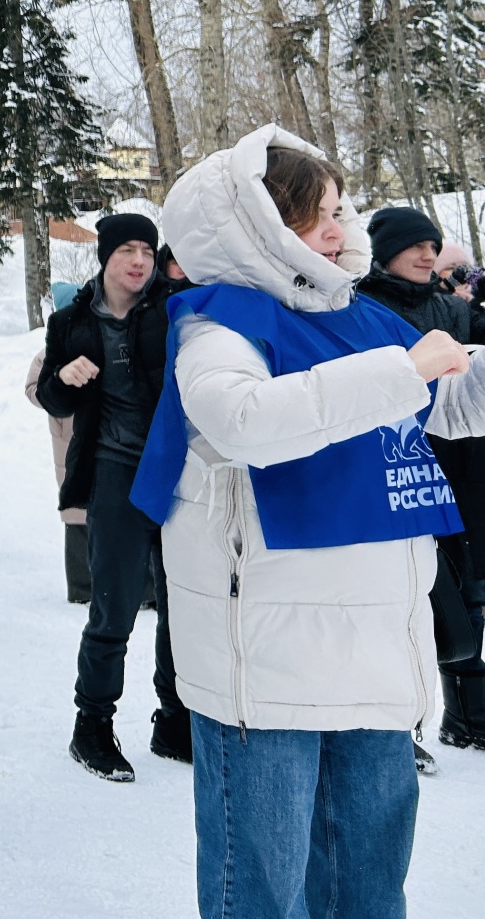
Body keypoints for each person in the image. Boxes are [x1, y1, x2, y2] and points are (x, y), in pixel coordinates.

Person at [131, 127, 483, 919]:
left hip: (374, 652)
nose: (336, 229)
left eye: (337, 210)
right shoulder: (219, 326)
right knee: (264, 895)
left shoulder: (363, 319)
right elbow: (244, 421)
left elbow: (446, 397)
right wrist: (404, 370)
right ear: (252, 224)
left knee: (368, 890)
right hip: (270, 667)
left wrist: (432, 370)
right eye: (310, 215)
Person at [37, 212, 191, 776]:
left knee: (181, 603)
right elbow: (51, 398)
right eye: (127, 250)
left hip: (176, 471)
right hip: (115, 471)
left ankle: (175, 719)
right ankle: (93, 726)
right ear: (105, 256)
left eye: (147, 251)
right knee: (114, 608)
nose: (139, 261)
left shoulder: (173, 309)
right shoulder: (71, 321)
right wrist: (63, 378)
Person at [356, 207, 485, 756]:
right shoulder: (362, 305)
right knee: (396, 602)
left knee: (464, 597)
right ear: (385, 252)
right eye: (416, 245)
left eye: (433, 245)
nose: (428, 254)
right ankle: (397, 728)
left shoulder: (449, 307)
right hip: (394, 464)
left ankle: (467, 715)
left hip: (459, 466)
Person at [25, 345, 90, 604]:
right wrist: (58, 390)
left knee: (122, 513)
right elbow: (33, 388)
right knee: (77, 513)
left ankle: (143, 588)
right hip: (69, 438)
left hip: (108, 435)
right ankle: (82, 587)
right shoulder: (52, 352)